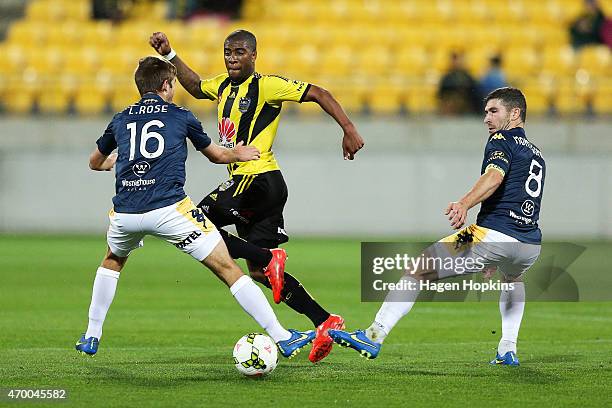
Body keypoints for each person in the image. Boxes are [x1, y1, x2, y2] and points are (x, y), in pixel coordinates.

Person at [75, 56, 315, 359]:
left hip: (125, 214)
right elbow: (216, 155)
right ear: (165, 84)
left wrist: (119, 162)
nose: (174, 89)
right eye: (173, 84)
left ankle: (91, 335)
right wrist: (238, 153)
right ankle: (283, 337)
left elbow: (94, 162)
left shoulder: (121, 118)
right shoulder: (180, 115)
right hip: (169, 210)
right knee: (228, 268)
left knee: (112, 260)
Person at [149, 30, 364, 363]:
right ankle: (324, 321)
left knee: (193, 221)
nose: (232, 58)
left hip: (258, 179)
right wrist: (170, 53)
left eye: (239, 52)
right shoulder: (222, 85)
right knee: (260, 274)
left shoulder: (267, 86)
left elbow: (319, 92)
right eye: (227, 52)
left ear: (253, 55)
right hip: (259, 188)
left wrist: (348, 128)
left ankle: (268, 258)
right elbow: (194, 86)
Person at [330, 87, 545, 366]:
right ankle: (507, 349)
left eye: (494, 111)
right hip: (528, 244)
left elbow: (494, 177)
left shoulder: (501, 139)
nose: (486, 118)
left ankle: (374, 334)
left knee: (417, 269)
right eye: (485, 112)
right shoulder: (536, 153)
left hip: (493, 236)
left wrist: (465, 204)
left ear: (515, 113)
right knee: (513, 280)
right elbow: (518, 198)